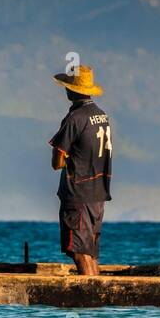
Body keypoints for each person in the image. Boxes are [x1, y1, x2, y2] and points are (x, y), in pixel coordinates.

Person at [49, 65, 112, 276]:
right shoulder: (102, 116)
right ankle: (97, 293)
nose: (65, 90)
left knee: (78, 250)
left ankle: (90, 296)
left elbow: (57, 160)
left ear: (73, 91)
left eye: (67, 86)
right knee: (90, 250)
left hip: (78, 193)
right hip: (97, 194)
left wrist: (64, 160)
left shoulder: (75, 118)